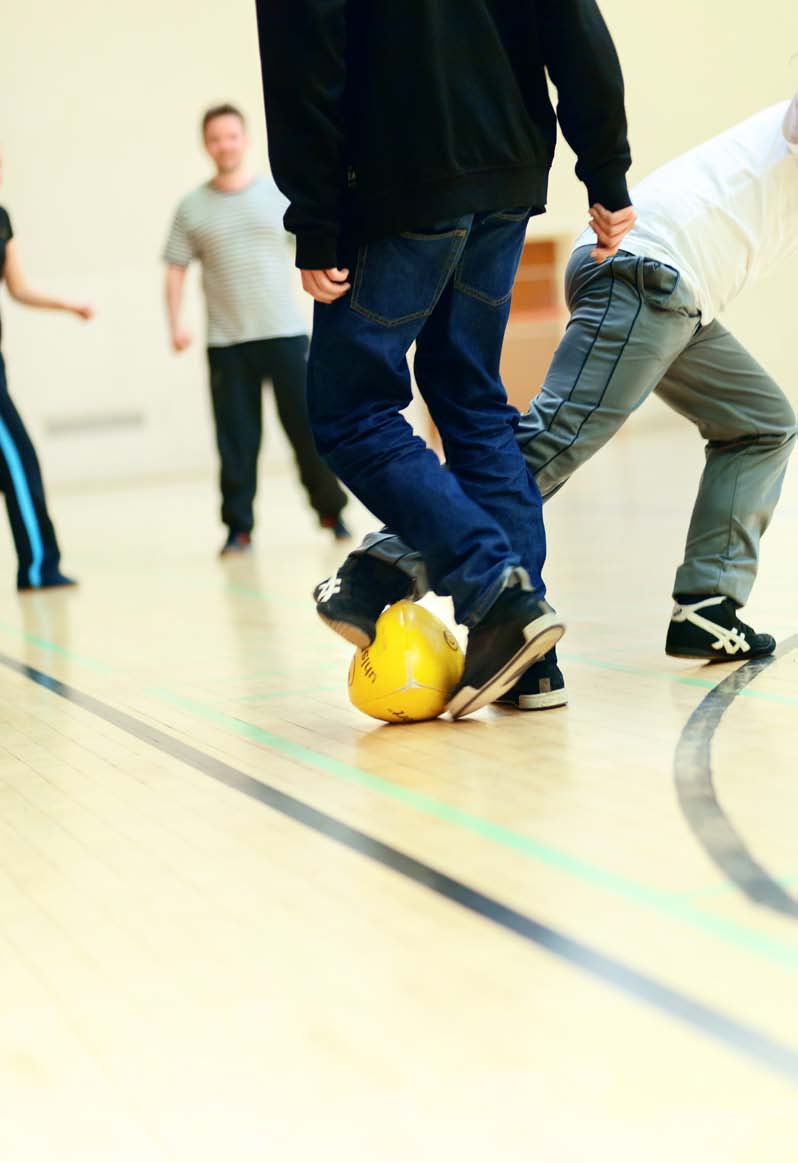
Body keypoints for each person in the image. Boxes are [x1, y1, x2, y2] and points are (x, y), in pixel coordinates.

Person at [314, 97, 798, 710]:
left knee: (762, 423)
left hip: (683, 295)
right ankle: (380, 569)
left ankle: (708, 604)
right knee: (551, 442)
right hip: (643, 270)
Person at [256, 1, 636, 718]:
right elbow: (574, 24)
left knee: (350, 413)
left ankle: (497, 594)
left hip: (400, 183)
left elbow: (302, 51)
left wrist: (314, 219)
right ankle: (532, 665)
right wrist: (606, 171)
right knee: (472, 401)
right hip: (507, 175)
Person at [163, 104, 349, 557]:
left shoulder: (278, 197)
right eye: (215, 138)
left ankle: (331, 511)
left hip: (284, 335)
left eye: (231, 136)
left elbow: (315, 250)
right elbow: (175, 268)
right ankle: (238, 529)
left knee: (307, 431)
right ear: (206, 145)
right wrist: (176, 324)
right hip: (227, 344)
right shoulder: (191, 208)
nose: (224, 144)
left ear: (243, 140)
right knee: (237, 441)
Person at [0, 153, 88, 591]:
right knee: (18, 463)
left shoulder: (1, 219)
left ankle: (39, 566)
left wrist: (66, 305)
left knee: (17, 462)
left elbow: (18, 288)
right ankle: (38, 568)